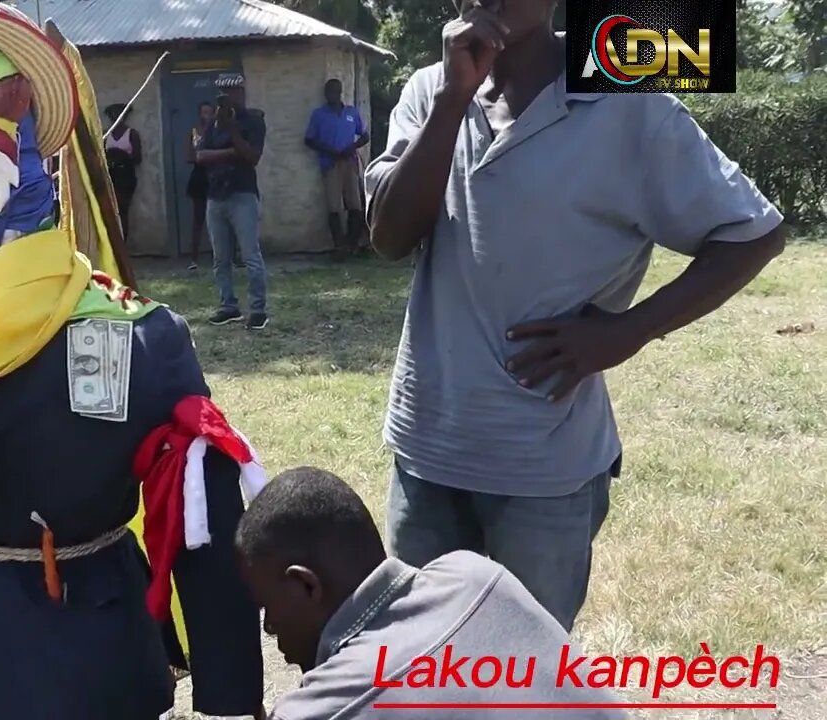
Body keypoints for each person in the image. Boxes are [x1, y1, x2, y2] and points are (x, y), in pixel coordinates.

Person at [0, 3, 268, 719]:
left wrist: (228, 688)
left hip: (90, 660)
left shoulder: (141, 338)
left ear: (30, 102)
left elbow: (199, 513)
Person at [363, 0, 785, 632]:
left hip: (544, 470)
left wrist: (627, 332)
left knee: (524, 677)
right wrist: (454, 99)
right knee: (430, 673)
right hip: (426, 455)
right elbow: (389, 235)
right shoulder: (430, 89)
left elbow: (754, 233)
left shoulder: (625, 96)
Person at [234, 467, 630, 719]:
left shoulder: (323, 709)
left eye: (268, 609)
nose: (270, 628)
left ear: (306, 584)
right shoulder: (475, 574)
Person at [196, 73, 269, 329]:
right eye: (221, 96)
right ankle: (229, 306)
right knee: (220, 258)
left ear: (241, 93)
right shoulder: (213, 124)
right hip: (216, 197)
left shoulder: (254, 121)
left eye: (230, 94)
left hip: (242, 195)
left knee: (250, 255)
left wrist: (232, 131)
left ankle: (258, 309)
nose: (225, 100)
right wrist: (229, 150)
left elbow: (252, 156)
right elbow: (200, 155)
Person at [304, 78, 369, 259]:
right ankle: (338, 245)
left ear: (340, 92)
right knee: (334, 206)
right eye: (328, 91)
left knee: (354, 203)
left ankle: (353, 243)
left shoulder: (351, 112)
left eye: (335, 91)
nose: (331, 94)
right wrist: (329, 150)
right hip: (330, 162)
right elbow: (308, 140)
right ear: (325, 94)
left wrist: (353, 146)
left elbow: (364, 136)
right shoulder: (318, 115)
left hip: (349, 161)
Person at [104, 103, 142, 240]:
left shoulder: (131, 134)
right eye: (112, 114)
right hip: (110, 175)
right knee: (110, 211)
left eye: (119, 114)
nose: (116, 117)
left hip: (126, 175)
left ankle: (123, 242)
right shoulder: (106, 134)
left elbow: (138, 158)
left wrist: (122, 157)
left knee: (123, 209)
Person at [185, 101, 214, 270]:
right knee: (198, 219)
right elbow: (189, 156)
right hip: (199, 176)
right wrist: (202, 156)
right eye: (204, 113)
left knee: (222, 218)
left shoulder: (219, 131)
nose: (207, 116)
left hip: (216, 175)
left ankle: (229, 256)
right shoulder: (194, 132)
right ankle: (194, 259)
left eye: (210, 112)